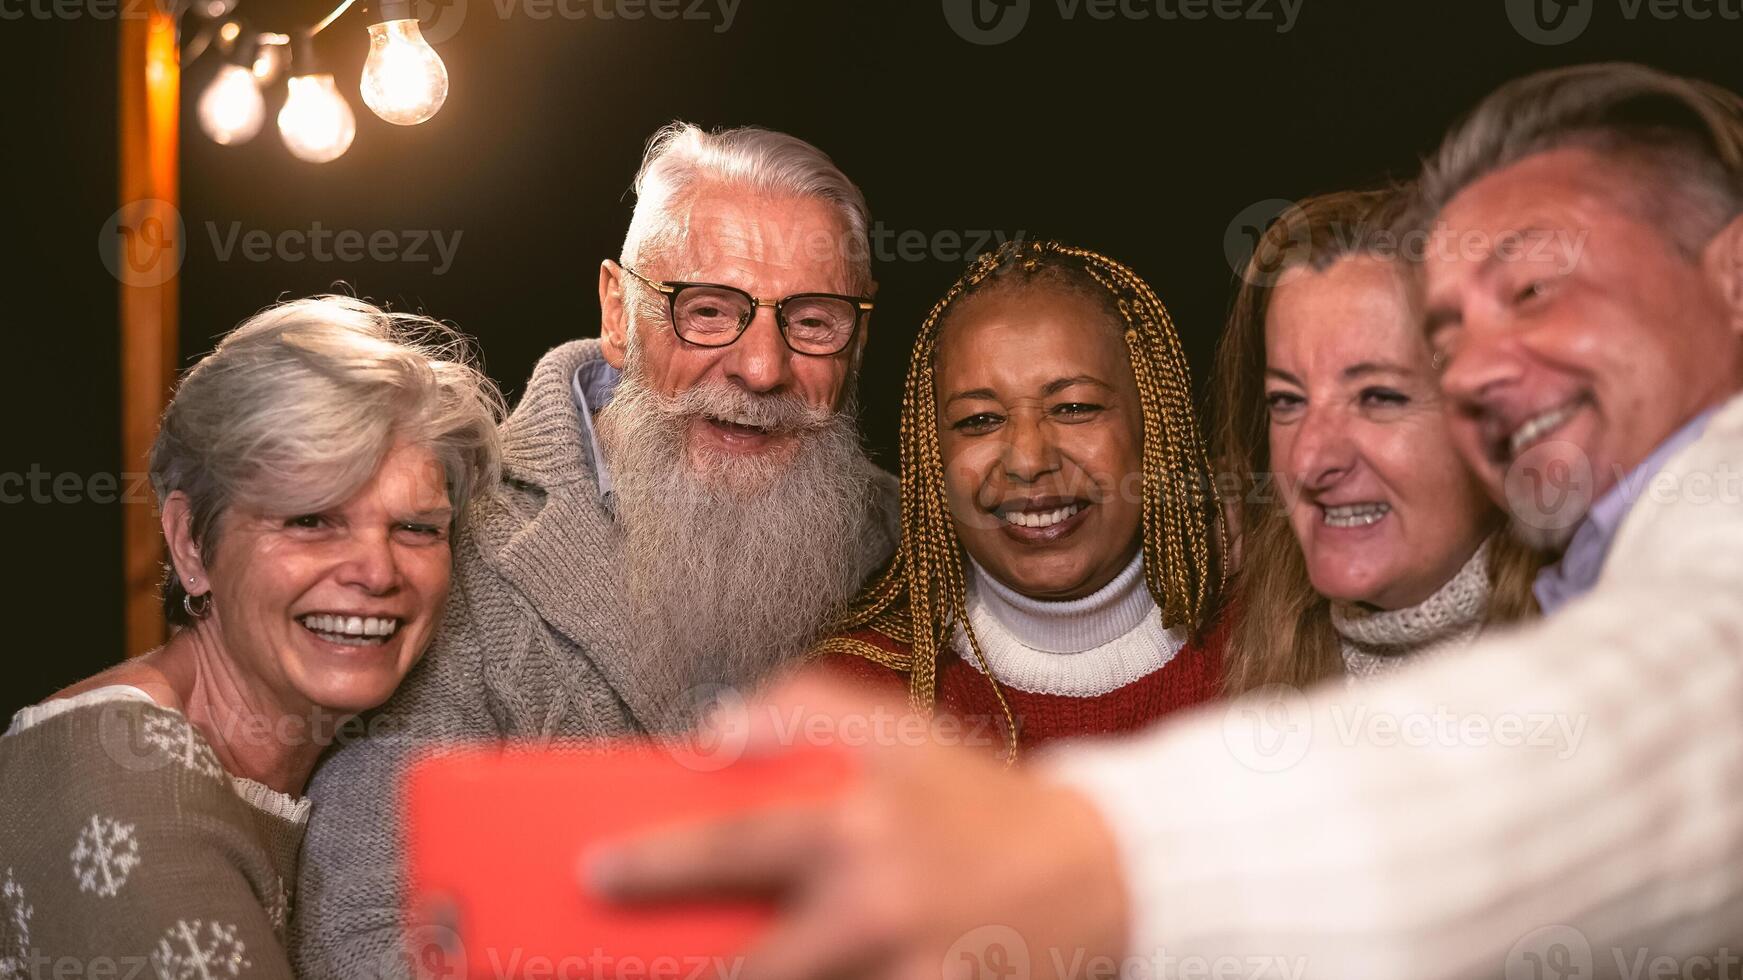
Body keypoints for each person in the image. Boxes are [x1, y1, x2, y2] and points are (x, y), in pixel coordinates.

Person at [587, 63, 1743, 976]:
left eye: (1538, 293)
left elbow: (1681, 700)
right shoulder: (1306, 632)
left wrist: (1088, 862)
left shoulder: (1277, 624)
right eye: (1288, 400)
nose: (1491, 365)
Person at [291, 123, 902, 977]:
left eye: (813, 321)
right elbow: (367, 933)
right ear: (620, 313)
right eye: (709, 311)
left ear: (857, 335)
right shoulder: (446, 545)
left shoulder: (907, 542)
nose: (762, 368)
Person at [0, 297, 502, 977]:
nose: (377, 572)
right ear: (189, 544)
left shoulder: (301, 770)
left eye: (416, 529)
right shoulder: (126, 774)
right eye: (311, 521)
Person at [814, 240, 1227, 758]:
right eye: (979, 420)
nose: (1029, 460)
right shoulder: (855, 699)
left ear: (1154, 423)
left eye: (1074, 407)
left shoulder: (1280, 639)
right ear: (932, 455)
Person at [1212, 188, 1540, 693]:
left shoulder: (1609, 651)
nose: (1309, 460)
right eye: (1287, 401)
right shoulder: (1251, 648)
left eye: (1379, 397)